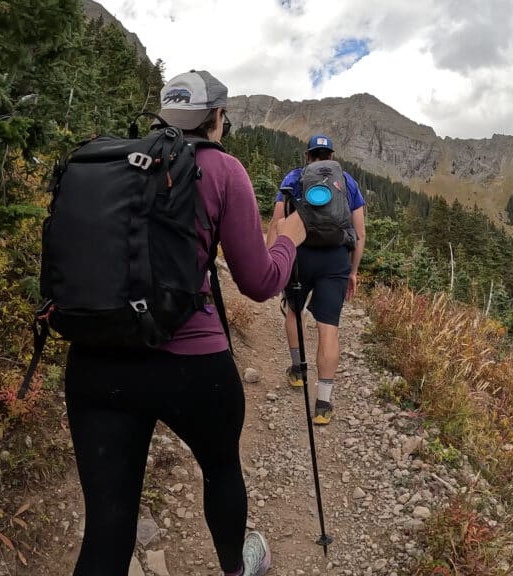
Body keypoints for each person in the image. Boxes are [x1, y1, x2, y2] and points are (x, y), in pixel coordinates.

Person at [63, 70, 306, 576]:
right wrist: (287, 240)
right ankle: (237, 568)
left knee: (107, 527)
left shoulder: (119, 163)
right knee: (221, 471)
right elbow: (260, 283)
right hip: (191, 363)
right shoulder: (222, 169)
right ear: (218, 118)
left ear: (165, 115)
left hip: (96, 360)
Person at [265, 134, 366, 425]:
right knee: (329, 327)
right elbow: (359, 233)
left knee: (294, 310)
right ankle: (323, 403)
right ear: (331, 156)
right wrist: (353, 271)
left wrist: (273, 262)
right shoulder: (347, 182)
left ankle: (298, 371)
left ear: (308, 156)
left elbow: (277, 221)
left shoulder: (295, 177)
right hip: (335, 259)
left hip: (300, 255)